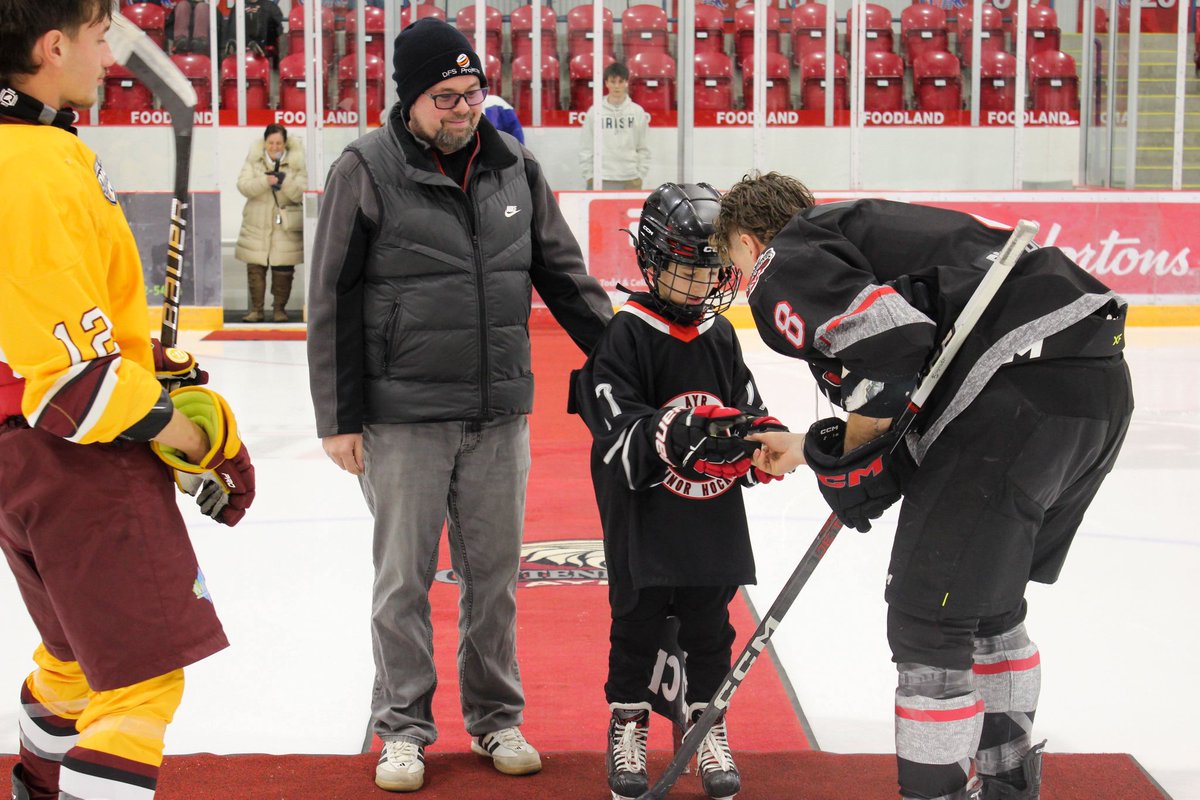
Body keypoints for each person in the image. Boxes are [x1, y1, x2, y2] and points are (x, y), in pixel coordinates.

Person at [714, 173, 1133, 800]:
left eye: (734, 262)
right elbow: (919, 381)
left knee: (927, 624)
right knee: (986, 610)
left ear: (748, 241)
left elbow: (888, 351)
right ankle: (1006, 785)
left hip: (1013, 401)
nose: (743, 276)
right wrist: (811, 450)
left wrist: (853, 461)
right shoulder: (864, 233)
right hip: (1095, 387)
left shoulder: (786, 254)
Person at [306, 19, 612, 794]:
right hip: (401, 414)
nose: (463, 109)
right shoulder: (365, 169)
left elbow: (566, 280)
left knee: (495, 578)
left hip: (497, 411)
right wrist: (338, 419)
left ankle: (496, 717)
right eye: (445, 97)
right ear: (409, 99)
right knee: (404, 582)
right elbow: (331, 301)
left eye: (472, 93)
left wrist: (628, 360)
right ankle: (403, 729)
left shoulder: (515, 167)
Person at [0, 3, 256, 798]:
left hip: (23, 462)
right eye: (97, 35)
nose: (110, 52)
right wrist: (187, 435)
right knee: (140, 689)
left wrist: (154, 370)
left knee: (73, 665)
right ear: (51, 47)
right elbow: (71, 383)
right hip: (73, 464)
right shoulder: (33, 165)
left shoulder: (37, 150)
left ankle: (37, 783)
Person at [571, 183, 786, 800]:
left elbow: (747, 405)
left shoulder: (719, 336)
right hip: (644, 514)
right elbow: (616, 433)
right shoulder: (625, 336)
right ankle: (628, 719)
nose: (703, 281)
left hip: (709, 517)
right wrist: (681, 432)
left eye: (712, 267)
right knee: (636, 621)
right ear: (655, 260)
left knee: (709, 624)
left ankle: (706, 721)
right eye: (688, 268)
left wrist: (762, 442)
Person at [235, 123, 307, 323]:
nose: (274, 146)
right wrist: (264, 182)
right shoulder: (253, 161)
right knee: (255, 269)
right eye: (271, 142)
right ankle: (256, 310)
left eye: (279, 142)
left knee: (283, 271)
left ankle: (279, 310)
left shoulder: (296, 164)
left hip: (285, 227)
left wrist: (284, 182)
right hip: (256, 224)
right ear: (264, 142)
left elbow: (301, 192)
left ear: (285, 144)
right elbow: (243, 185)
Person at [580, 61, 650, 190]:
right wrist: (589, 175)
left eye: (620, 81)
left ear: (626, 82)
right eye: (613, 82)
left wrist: (640, 174)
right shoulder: (595, 111)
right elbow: (586, 146)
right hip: (601, 178)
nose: (617, 86)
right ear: (606, 83)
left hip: (631, 179)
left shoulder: (637, 111)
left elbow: (643, 147)